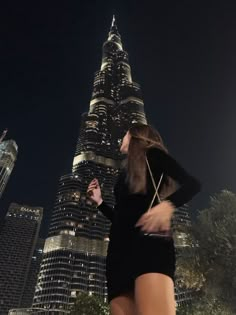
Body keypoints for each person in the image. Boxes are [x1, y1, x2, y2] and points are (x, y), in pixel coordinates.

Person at [87, 124, 201, 315]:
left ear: (134, 136)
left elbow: (193, 184)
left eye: (125, 134)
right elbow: (122, 220)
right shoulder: (124, 174)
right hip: (118, 254)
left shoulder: (153, 155)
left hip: (149, 246)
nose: (121, 138)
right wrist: (99, 202)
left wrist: (167, 205)